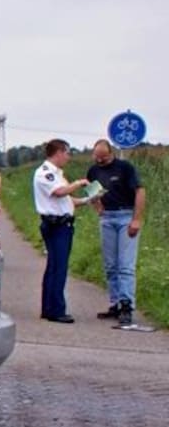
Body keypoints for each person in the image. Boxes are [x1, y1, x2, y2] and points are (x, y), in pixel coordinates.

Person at [33, 138, 94, 324]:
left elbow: (66, 200)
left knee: (55, 266)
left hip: (63, 223)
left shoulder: (58, 174)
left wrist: (86, 200)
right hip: (55, 225)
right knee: (58, 267)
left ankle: (49, 307)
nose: (68, 157)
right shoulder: (46, 173)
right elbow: (59, 192)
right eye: (67, 153)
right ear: (58, 152)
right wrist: (78, 183)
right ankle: (56, 309)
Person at [87, 139, 146, 326]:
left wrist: (136, 219)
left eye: (103, 157)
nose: (100, 160)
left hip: (125, 215)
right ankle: (115, 303)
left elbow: (140, 191)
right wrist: (97, 207)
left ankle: (127, 305)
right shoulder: (93, 170)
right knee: (110, 265)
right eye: (97, 157)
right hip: (107, 218)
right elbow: (92, 190)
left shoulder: (125, 168)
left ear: (111, 154)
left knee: (125, 265)